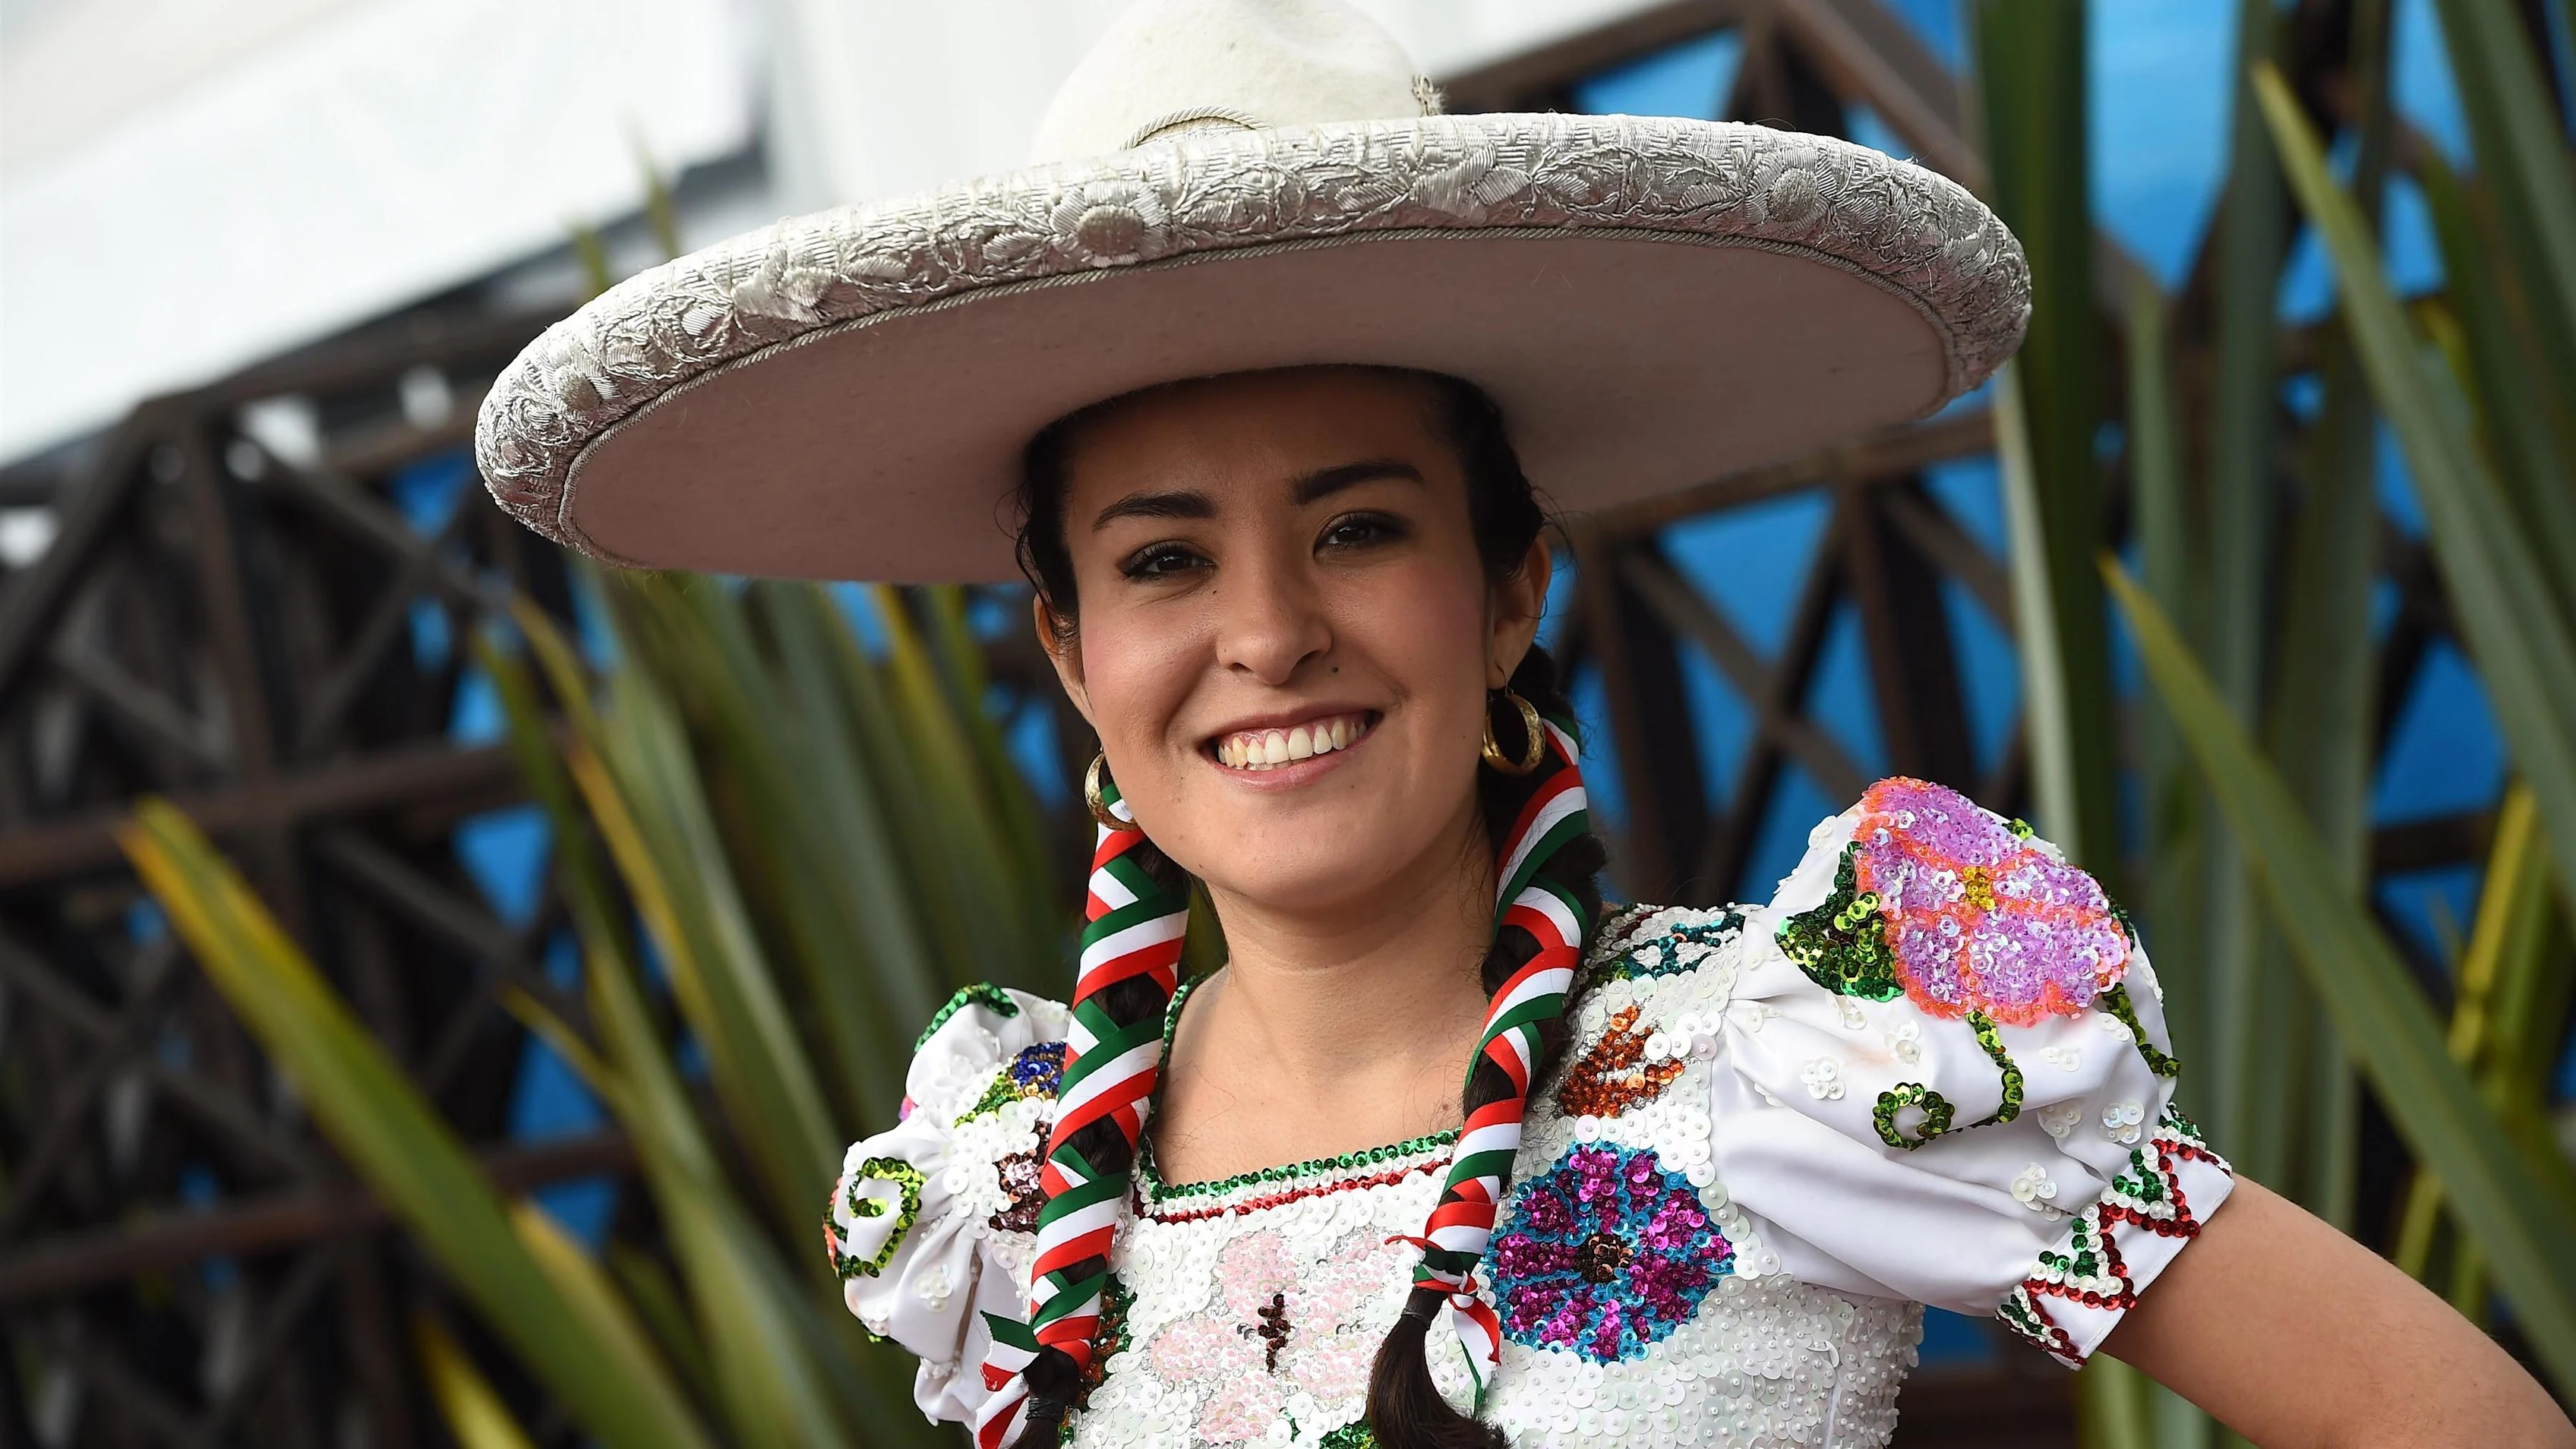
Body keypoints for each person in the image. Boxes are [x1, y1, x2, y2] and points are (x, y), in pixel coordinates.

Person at [475, 2, 2573, 1445]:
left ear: (1508, 588)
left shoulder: (1798, 1057)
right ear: (1068, 649)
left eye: (1358, 528)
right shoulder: (1018, 1194)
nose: (1266, 635)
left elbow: (2443, 1413)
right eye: (1165, 561)